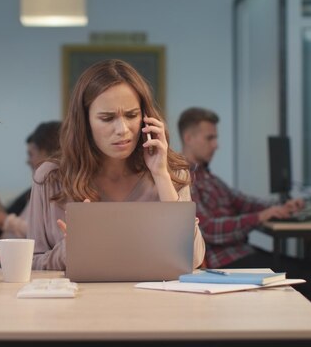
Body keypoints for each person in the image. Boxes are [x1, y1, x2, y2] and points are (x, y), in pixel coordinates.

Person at [27, 59, 205, 270]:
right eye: (107, 118)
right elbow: (32, 264)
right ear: (85, 123)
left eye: (132, 115)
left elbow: (193, 259)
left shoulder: (171, 172)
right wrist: (69, 250)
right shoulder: (50, 177)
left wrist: (161, 175)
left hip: (153, 301)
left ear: (146, 118)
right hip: (79, 301)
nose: (122, 129)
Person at [178, 106, 311, 322]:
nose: (216, 145)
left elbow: (242, 201)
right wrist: (261, 217)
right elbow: (208, 229)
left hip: (240, 252)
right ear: (188, 138)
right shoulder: (183, 178)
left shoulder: (207, 175)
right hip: (223, 263)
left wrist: (281, 206)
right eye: (210, 138)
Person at [0, 121, 61, 244]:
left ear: (45, 153)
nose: (28, 161)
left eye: (32, 154)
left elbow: (41, 233)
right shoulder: (44, 185)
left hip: (9, 258)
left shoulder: (55, 189)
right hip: (5, 252)